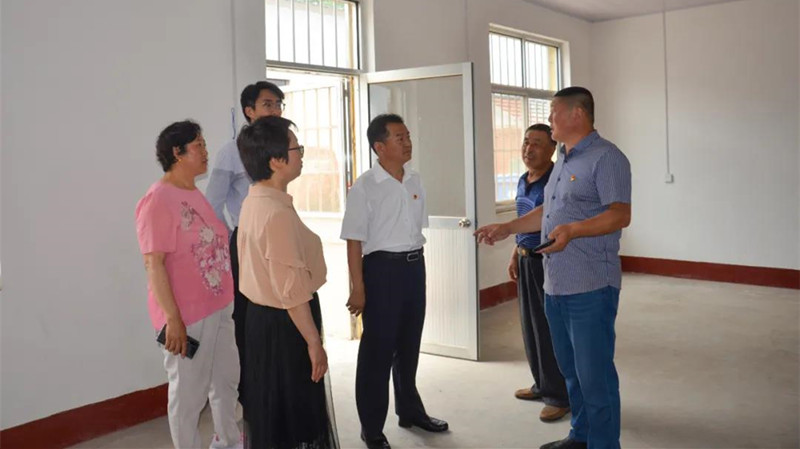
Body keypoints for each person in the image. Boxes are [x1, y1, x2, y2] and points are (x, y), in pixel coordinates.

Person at [475, 87, 631, 449]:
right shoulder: (564, 159)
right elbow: (549, 211)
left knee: (595, 375)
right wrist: (508, 228)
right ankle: (580, 435)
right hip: (556, 283)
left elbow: (620, 214)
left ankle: (604, 444)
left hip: (591, 284)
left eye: (553, 112)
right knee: (571, 371)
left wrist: (573, 230)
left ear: (577, 114)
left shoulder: (607, 158)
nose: (549, 120)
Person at [340, 114, 448, 449]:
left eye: (408, 136)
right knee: (378, 352)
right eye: (399, 138)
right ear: (380, 146)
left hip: (414, 268)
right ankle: (371, 428)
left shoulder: (414, 179)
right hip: (382, 271)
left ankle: (410, 410)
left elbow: (415, 230)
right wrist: (358, 288)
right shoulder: (365, 187)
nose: (407, 142)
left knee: (409, 344)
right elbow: (354, 240)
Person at [135, 120, 242, 449]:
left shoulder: (194, 193)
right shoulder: (158, 200)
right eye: (198, 145)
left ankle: (228, 441)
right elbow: (153, 263)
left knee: (225, 381)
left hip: (219, 305)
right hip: (187, 315)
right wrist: (173, 319)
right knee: (188, 396)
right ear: (177, 153)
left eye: (203, 144)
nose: (206, 151)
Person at [236, 116, 338, 449]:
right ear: (276, 160)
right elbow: (291, 291)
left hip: (261, 320)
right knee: (294, 413)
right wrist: (313, 342)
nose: (302, 155)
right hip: (285, 324)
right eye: (297, 148)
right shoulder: (275, 213)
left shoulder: (255, 201)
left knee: (275, 412)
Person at [205, 81, 286, 407]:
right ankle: (250, 393)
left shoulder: (284, 146)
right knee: (249, 318)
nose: (275, 110)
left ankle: (278, 384)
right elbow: (212, 204)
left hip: (279, 240)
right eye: (268, 104)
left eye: (278, 104)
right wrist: (233, 240)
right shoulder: (231, 151)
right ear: (249, 111)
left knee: (282, 314)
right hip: (247, 243)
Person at [508, 124, 570, 422]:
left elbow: (547, 218)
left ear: (551, 148)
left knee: (549, 329)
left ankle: (559, 396)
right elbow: (524, 220)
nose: (528, 149)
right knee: (530, 327)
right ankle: (542, 385)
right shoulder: (524, 179)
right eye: (525, 142)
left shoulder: (555, 180)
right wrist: (515, 253)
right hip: (525, 259)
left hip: (547, 261)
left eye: (536, 143)